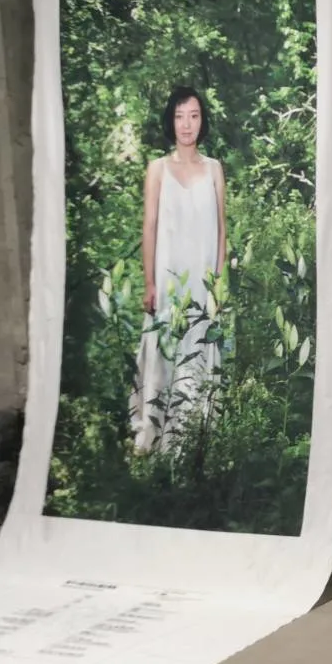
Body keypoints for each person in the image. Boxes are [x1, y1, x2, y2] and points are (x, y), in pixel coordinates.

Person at [130, 86, 227, 451]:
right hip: (168, 280)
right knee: (164, 350)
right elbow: (149, 227)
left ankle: (194, 442)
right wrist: (149, 283)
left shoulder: (214, 169)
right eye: (180, 116)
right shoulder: (157, 169)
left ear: (203, 121)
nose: (187, 124)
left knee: (199, 349)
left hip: (203, 283)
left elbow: (222, 231)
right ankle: (155, 437)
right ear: (171, 121)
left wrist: (218, 285)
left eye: (194, 116)